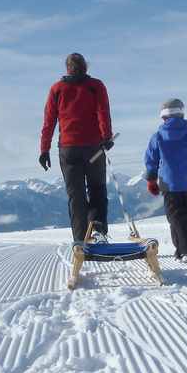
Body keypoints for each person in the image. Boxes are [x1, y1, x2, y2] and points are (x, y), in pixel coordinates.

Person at [39, 53, 114, 242]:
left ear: (67, 68)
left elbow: (49, 121)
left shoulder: (57, 89)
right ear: (86, 67)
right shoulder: (96, 86)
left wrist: (44, 149)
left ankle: (80, 239)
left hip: (68, 149)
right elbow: (103, 113)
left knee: (76, 195)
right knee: (97, 189)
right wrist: (106, 137)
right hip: (94, 148)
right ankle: (97, 231)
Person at [144, 98, 187, 261]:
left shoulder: (158, 137)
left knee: (175, 216)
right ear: (181, 114)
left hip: (169, 182)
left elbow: (151, 160)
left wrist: (151, 179)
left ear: (163, 117)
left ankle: (184, 249)